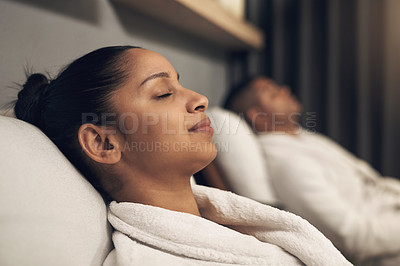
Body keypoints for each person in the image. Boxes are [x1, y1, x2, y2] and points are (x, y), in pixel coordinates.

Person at [13, 46, 351, 265]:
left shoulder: (236, 228)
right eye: (162, 94)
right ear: (104, 144)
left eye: (179, 84)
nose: (200, 98)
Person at [225, 76, 400, 265]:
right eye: (274, 94)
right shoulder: (288, 163)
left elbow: (372, 182)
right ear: (258, 116)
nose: (285, 89)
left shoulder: (304, 138)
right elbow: (353, 238)